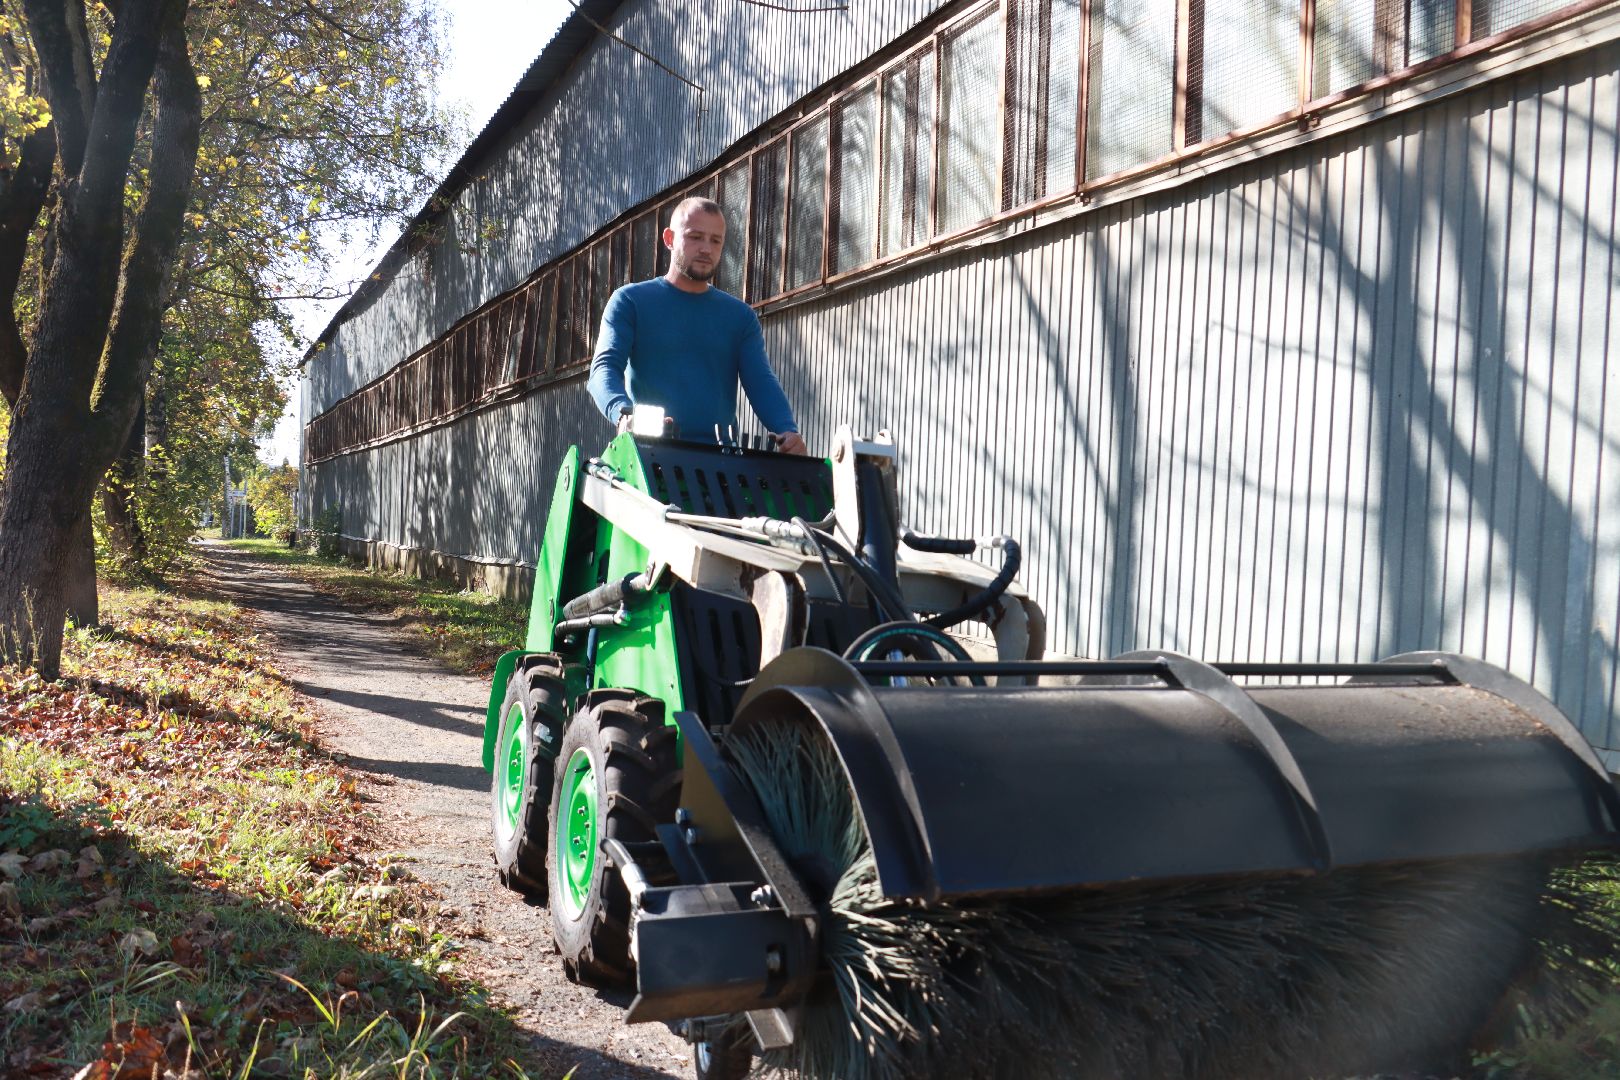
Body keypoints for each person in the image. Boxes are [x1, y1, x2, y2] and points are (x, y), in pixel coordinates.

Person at [587, 197, 808, 454]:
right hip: (646, 454)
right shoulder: (630, 301)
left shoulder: (740, 317)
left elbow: (761, 381)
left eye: (715, 240)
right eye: (695, 237)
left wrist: (787, 431)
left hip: (722, 464)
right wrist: (625, 415)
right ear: (669, 239)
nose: (706, 248)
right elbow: (603, 370)